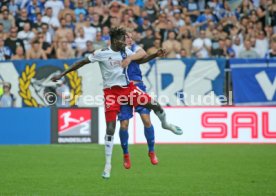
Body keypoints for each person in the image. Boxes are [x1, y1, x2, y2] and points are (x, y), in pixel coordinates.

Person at [51, 27, 183, 179]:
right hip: (111, 94)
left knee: (155, 105)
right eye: (123, 39)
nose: (125, 42)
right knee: (111, 128)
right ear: (115, 40)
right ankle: (108, 164)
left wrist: (155, 55)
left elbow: (141, 59)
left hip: (128, 89)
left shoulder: (125, 51)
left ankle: (165, 124)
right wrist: (62, 74)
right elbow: (81, 62)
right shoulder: (101, 53)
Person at [118, 31, 181, 170]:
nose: (130, 39)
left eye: (131, 37)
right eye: (127, 37)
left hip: (138, 86)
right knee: (124, 125)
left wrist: (153, 55)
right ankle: (126, 154)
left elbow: (142, 55)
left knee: (146, 120)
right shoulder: (115, 51)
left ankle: (151, 151)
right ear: (120, 39)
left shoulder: (134, 48)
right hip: (122, 89)